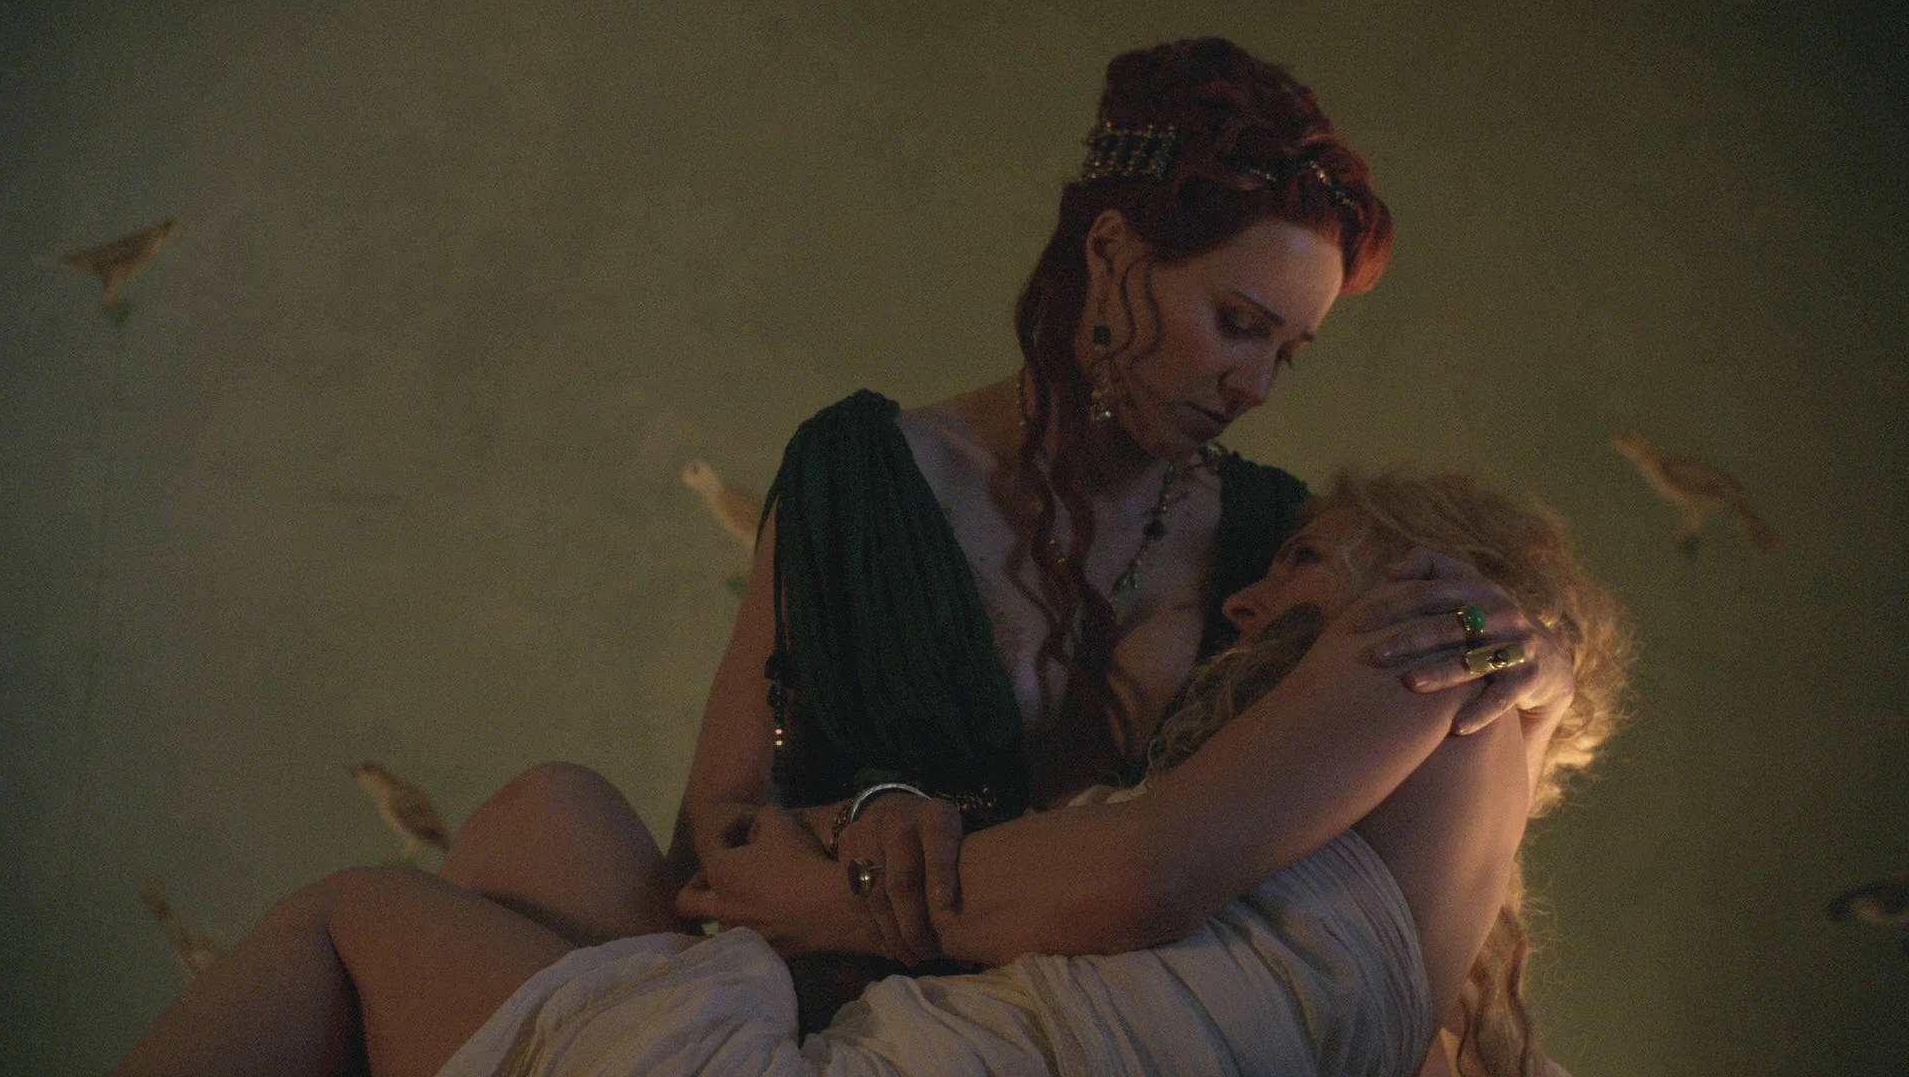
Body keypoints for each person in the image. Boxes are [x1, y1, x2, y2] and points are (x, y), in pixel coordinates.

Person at [109, 468, 1631, 1077]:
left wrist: (829, 893)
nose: (1248, 603)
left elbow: (1135, 874)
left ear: (1436, 565)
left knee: (352, 917)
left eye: (1302, 558)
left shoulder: (1444, 636)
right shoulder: (1414, 895)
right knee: (544, 823)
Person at [655, 38, 1578, 1026]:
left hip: (1129, 1030)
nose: (1255, 387)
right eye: (1237, 323)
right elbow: (714, 835)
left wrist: (1545, 672)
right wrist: (863, 820)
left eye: (1286, 353)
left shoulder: (1272, 533)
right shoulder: (861, 479)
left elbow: (1415, 763)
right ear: (1109, 254)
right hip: (837, 1016)